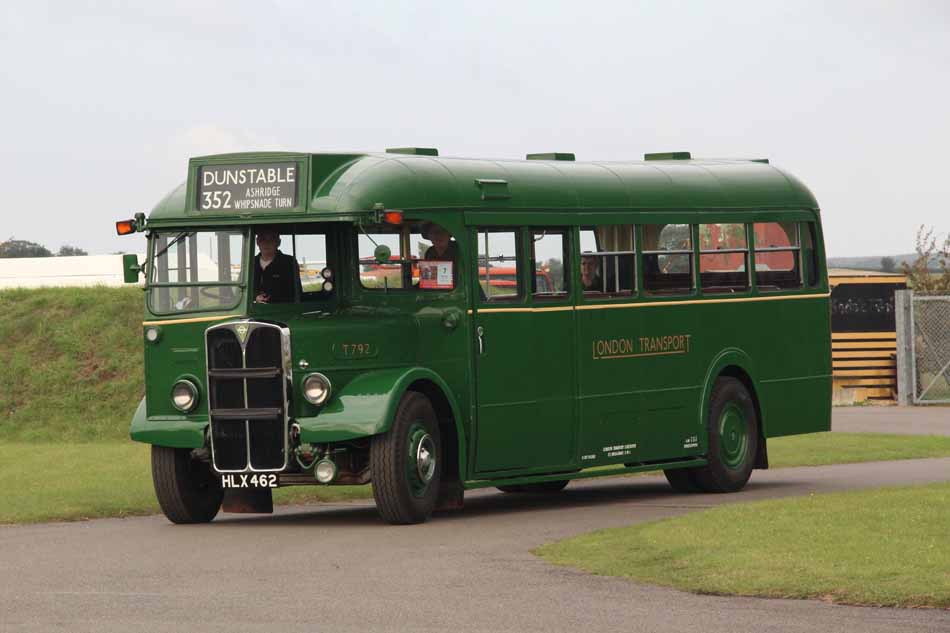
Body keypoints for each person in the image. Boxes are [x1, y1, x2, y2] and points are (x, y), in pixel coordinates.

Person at [253, 228, 302, 303]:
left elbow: (296, 292)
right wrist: (255, 297)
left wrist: (272, 298)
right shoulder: (251, 263)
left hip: (282, 310)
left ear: (278, 242)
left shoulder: (288, 262)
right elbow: (241, 291)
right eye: (262, 239)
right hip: (254, 310)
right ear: (257, 242)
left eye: (271, 239)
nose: (266, 243)